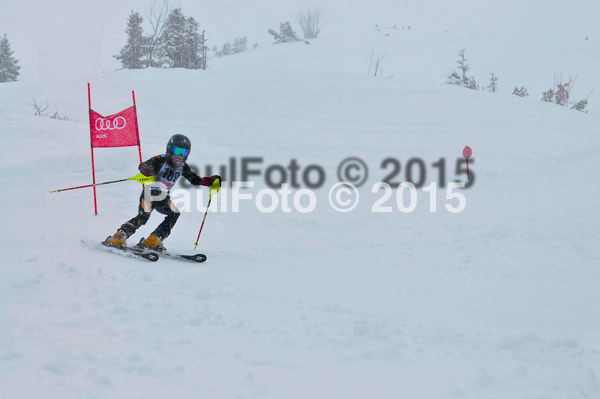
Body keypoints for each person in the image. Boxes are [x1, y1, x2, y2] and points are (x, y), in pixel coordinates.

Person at [104, 134, 220, 252]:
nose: (180, 156)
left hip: (163, 197)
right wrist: (147, 169)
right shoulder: (161, 160)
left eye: (184, 153)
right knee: (143, 217)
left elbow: (194, 179)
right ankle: (119, 236)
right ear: (170, 149)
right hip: (150, 193)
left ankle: (154, 239)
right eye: (177, 151)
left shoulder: (183, 167)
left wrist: (209, 181)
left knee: (175, 213)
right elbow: (143, 166)